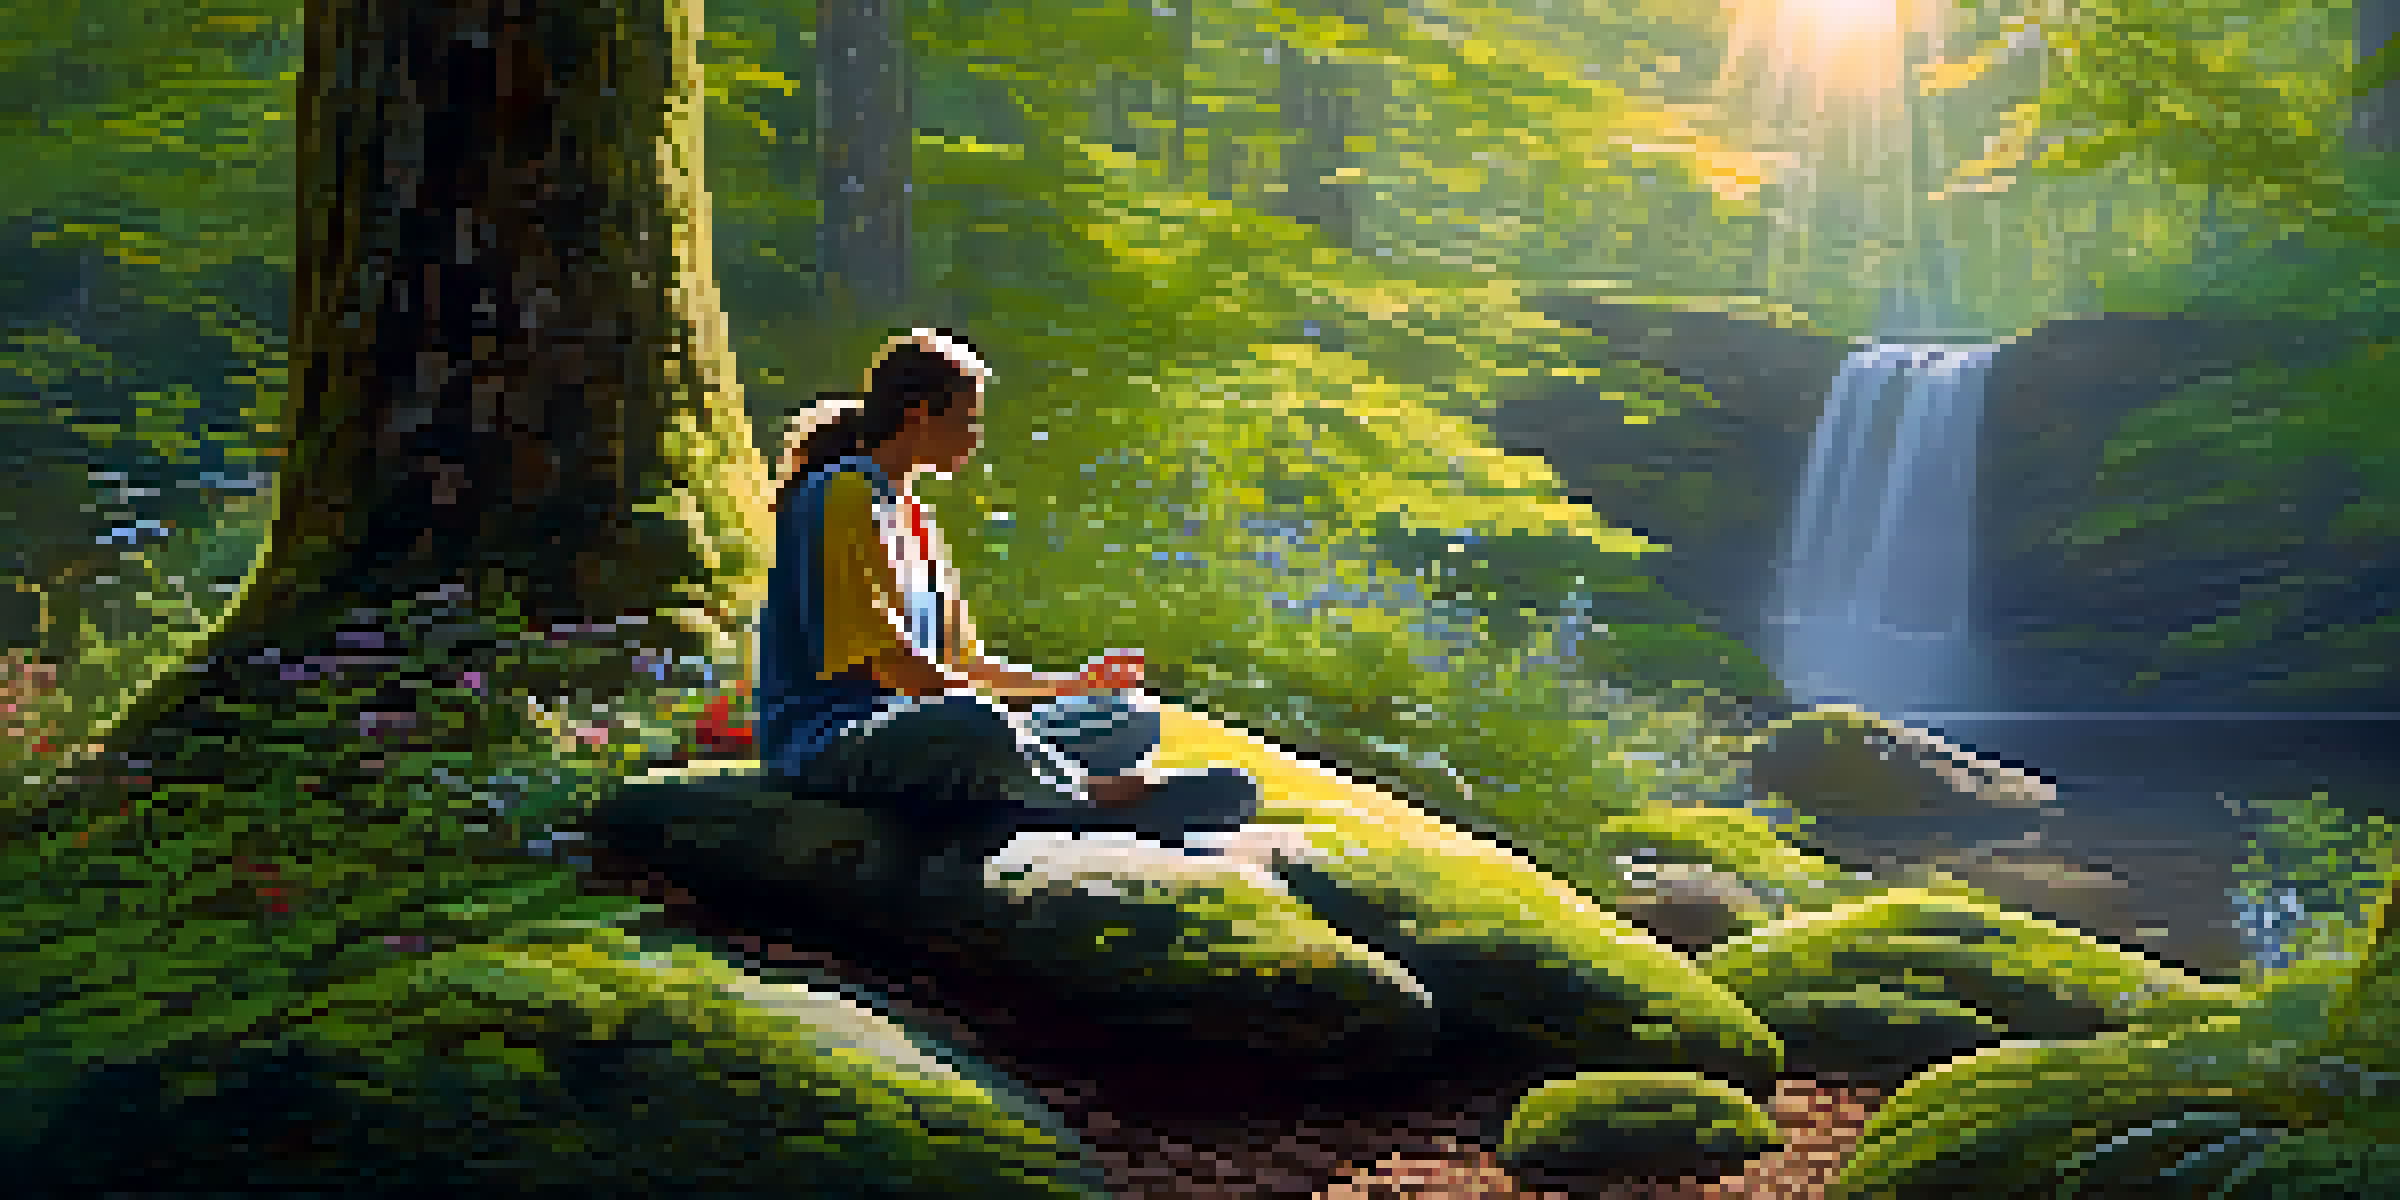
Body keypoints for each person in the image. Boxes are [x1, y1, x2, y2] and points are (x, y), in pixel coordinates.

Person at [755, 328, 1259, 882]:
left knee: (1127, 717)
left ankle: (1015, 787)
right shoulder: (843, 495)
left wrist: (1078, 686)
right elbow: (893, 666)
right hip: (830, 743)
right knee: (972, 724)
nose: (974, 437)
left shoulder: (916, 520)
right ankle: (1097, 802)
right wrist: (1002, 723)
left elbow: (964, 664)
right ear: (921, 414)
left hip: (927, 725)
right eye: (968, 419)